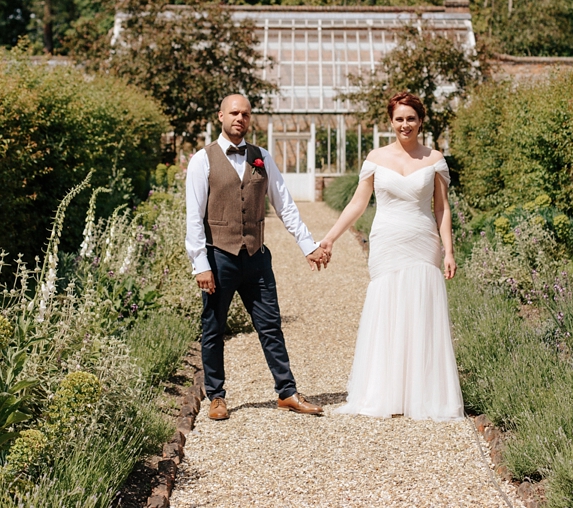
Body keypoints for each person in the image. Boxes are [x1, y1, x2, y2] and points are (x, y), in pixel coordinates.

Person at [317, 91, 464, 420]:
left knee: (421, 310)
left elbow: (442, 208)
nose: (405, 124)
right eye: (399, 118)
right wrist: (330, 238)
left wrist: (449, 250)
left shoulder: (434, 159)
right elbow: (358, 203)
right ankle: (385, 393)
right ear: (391, 122)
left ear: (421, 121)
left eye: (411, 118)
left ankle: (423, 395)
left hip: (422, 240)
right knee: (388, 307)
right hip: (387, 241)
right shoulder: (376, 158)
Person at [185, 93, 330, 421]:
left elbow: (285, 204)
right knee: (213, 327)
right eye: (234, 113)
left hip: (256, 257)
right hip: (218, 256)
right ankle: (217, 396)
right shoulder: (202, 160)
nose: (240, 118)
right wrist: (200, 264)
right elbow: (193, 216)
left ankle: (287, 392)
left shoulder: (261, 156)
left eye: (246, 114)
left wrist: (308, 245)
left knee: (270, 326)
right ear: (220, 116)